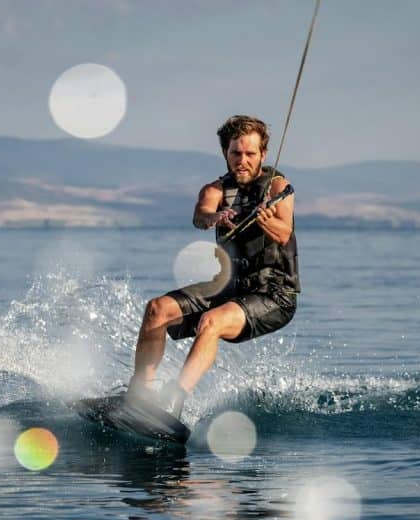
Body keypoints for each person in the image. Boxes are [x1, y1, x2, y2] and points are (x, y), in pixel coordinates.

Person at [126, 115, 300, 419]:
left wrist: (265, 218)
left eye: (250, 154)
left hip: (273, 294)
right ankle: (140, 394)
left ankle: (174, 400)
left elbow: (284, 232)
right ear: (226, 153)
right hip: (229, 285)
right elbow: (200, 215)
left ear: (263, 154)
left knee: (211, 321)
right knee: (157, 309)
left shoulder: (277, 188)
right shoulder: (215, 191)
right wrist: (214, 219)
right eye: (236, 153)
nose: (242, 161)